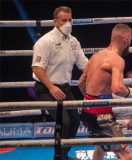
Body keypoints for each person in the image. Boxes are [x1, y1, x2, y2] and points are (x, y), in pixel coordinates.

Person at [31, 6, 88, 160]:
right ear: (55, 22)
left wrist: (101, 67)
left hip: (64, 88)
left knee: (75, 121)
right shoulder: (45, 41)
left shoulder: (73, 41)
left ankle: (62, 155)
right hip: (46, 89)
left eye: (70, 20)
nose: (68, 23)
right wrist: (51, 87)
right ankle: (59, 157)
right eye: (64, 20)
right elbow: (37, 68)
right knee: (64, 121)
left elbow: (85, 65)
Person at [78, 23, 132, 160]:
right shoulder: (117, 60)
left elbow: (81, 82)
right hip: (102, 116)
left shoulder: (96, 55)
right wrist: (131, 92)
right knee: (125, 153)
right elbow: (117, 88)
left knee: (100, 147)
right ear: (126, 39)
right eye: (131, 39)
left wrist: (91, 102)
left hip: (87, 112)